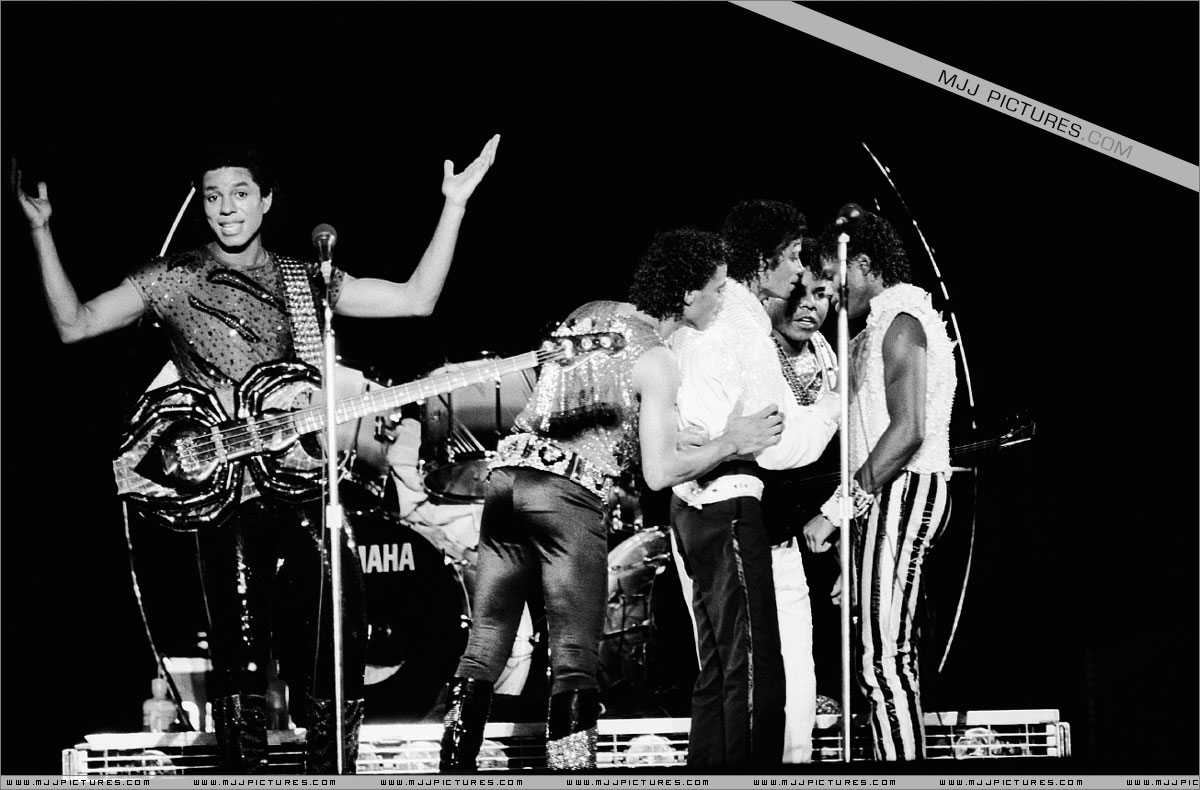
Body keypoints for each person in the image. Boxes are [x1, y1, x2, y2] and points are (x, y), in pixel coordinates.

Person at [11, 133, 500, 774]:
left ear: (266, 200)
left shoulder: (305, 277)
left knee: (335, 647)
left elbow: (416, 300)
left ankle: (331, 775)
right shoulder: (173, 277)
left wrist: (454, 205)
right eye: (213, 196)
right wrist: (41, 231)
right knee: (240, 655)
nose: (226, 208)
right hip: (228, 498)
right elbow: (74, 324)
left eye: (240, 194)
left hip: (307, 488)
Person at [438, 227, 786, 771]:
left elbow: (591, 407)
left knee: (484, 644)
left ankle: (452, 770)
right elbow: (659, 472)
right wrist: (731, 442)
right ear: (687, 295)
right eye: (718, 289)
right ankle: (573, 777)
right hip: (566, 498)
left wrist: (679, 435)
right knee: (574, 659)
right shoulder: (658, 359)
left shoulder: (589, 312)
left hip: (506, 483)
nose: (723, 300)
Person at [668, 200, 839, 768]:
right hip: (729, 502)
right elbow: (779, 442)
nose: (799, 271)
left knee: (718, 671)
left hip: (689, 505)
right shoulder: (744, 326)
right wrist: (836, 407)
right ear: (762, 260)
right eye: (792, 256)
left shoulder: (702, 321)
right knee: (755, 670)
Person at [801, 209, 956, 762]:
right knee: (877, 656)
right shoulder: (874, 329)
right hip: (885, 497)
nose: (828, 291)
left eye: (832, 276)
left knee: (884, 659)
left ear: (863, 264)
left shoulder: (904, 321)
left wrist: (836, 511)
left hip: (906, 488)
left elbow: (908, 431)